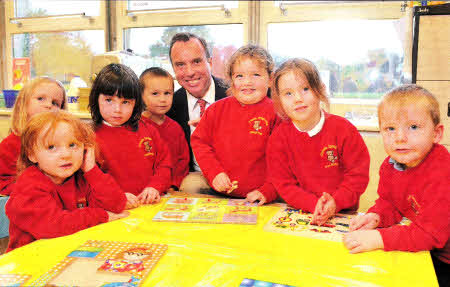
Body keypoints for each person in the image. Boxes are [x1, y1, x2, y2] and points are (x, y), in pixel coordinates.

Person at [343, 84, 449, 286]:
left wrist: (378, 238)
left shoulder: (442, 172)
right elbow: (389, 202)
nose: (400, 137)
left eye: (414, 127)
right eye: (390, 128)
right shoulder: (390, 165)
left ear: (436, 134)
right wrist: (376, 217)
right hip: (427, 250)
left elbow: (430, 234)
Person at [5, 111, 128, 251]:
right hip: (32, 261)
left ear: (85, 148)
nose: (66, 155)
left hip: (72, 251)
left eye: (73, 145)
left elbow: (116, 205)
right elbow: (53, 225)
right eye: (51, 147)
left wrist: (92, 170)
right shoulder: (29, 186)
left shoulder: (81, 177)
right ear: (32, 155)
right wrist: (100, 216)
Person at [267, 58, 370, 225]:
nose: (298, 98)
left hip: (342, 214)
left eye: (305, 89)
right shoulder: (278, 139)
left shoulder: (344, 130)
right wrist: (315, 205)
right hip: (301, 214)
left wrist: (335, 203)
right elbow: (284, 185)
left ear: (320, 90)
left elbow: (357, 176)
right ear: (279, 100)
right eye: (288, 93)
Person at [191, 45, 279, 205]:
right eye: (239, 76)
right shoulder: (216, 110)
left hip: (263, 197)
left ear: (270, 79)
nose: (247, 82)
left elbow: (284, 160)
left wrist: (268, 190)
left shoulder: (276, 113)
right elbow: (200, 142)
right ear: (231, 80)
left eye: (256, 75)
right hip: (219, 192)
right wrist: (214, 173)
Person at [89, 63, 171, 209]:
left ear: (136, 103)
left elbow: (164, 165)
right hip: (114, 208)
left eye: (125, 102)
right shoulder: (89, 137)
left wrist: (155, 187)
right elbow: (91, 180)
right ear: (96, 99)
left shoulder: (149, 130)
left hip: (150, 204)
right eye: (109, 100)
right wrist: (116, 196)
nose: (117, 109)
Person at [166, 32, 228, 171]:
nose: (189, 72)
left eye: (196, 62)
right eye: (180, 65)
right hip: (190, 180)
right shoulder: (169, 106)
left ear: (210, 62)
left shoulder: (235, 95)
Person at [0, 77, 66, 196]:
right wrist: (33, 188)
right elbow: (2, 184)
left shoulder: (63, 143)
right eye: (41, 98)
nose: (48, 105)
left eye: (55, 103)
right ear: (23, 103)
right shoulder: (10, 144)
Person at [140, 67, 189, 190]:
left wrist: (174, 184)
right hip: (143, 189)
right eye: (155, 94)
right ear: (141, 95)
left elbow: (182, 161)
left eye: (167, 93)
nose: (162, 99)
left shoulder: (175, 128)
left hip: (171, 188)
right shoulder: (135, 127)